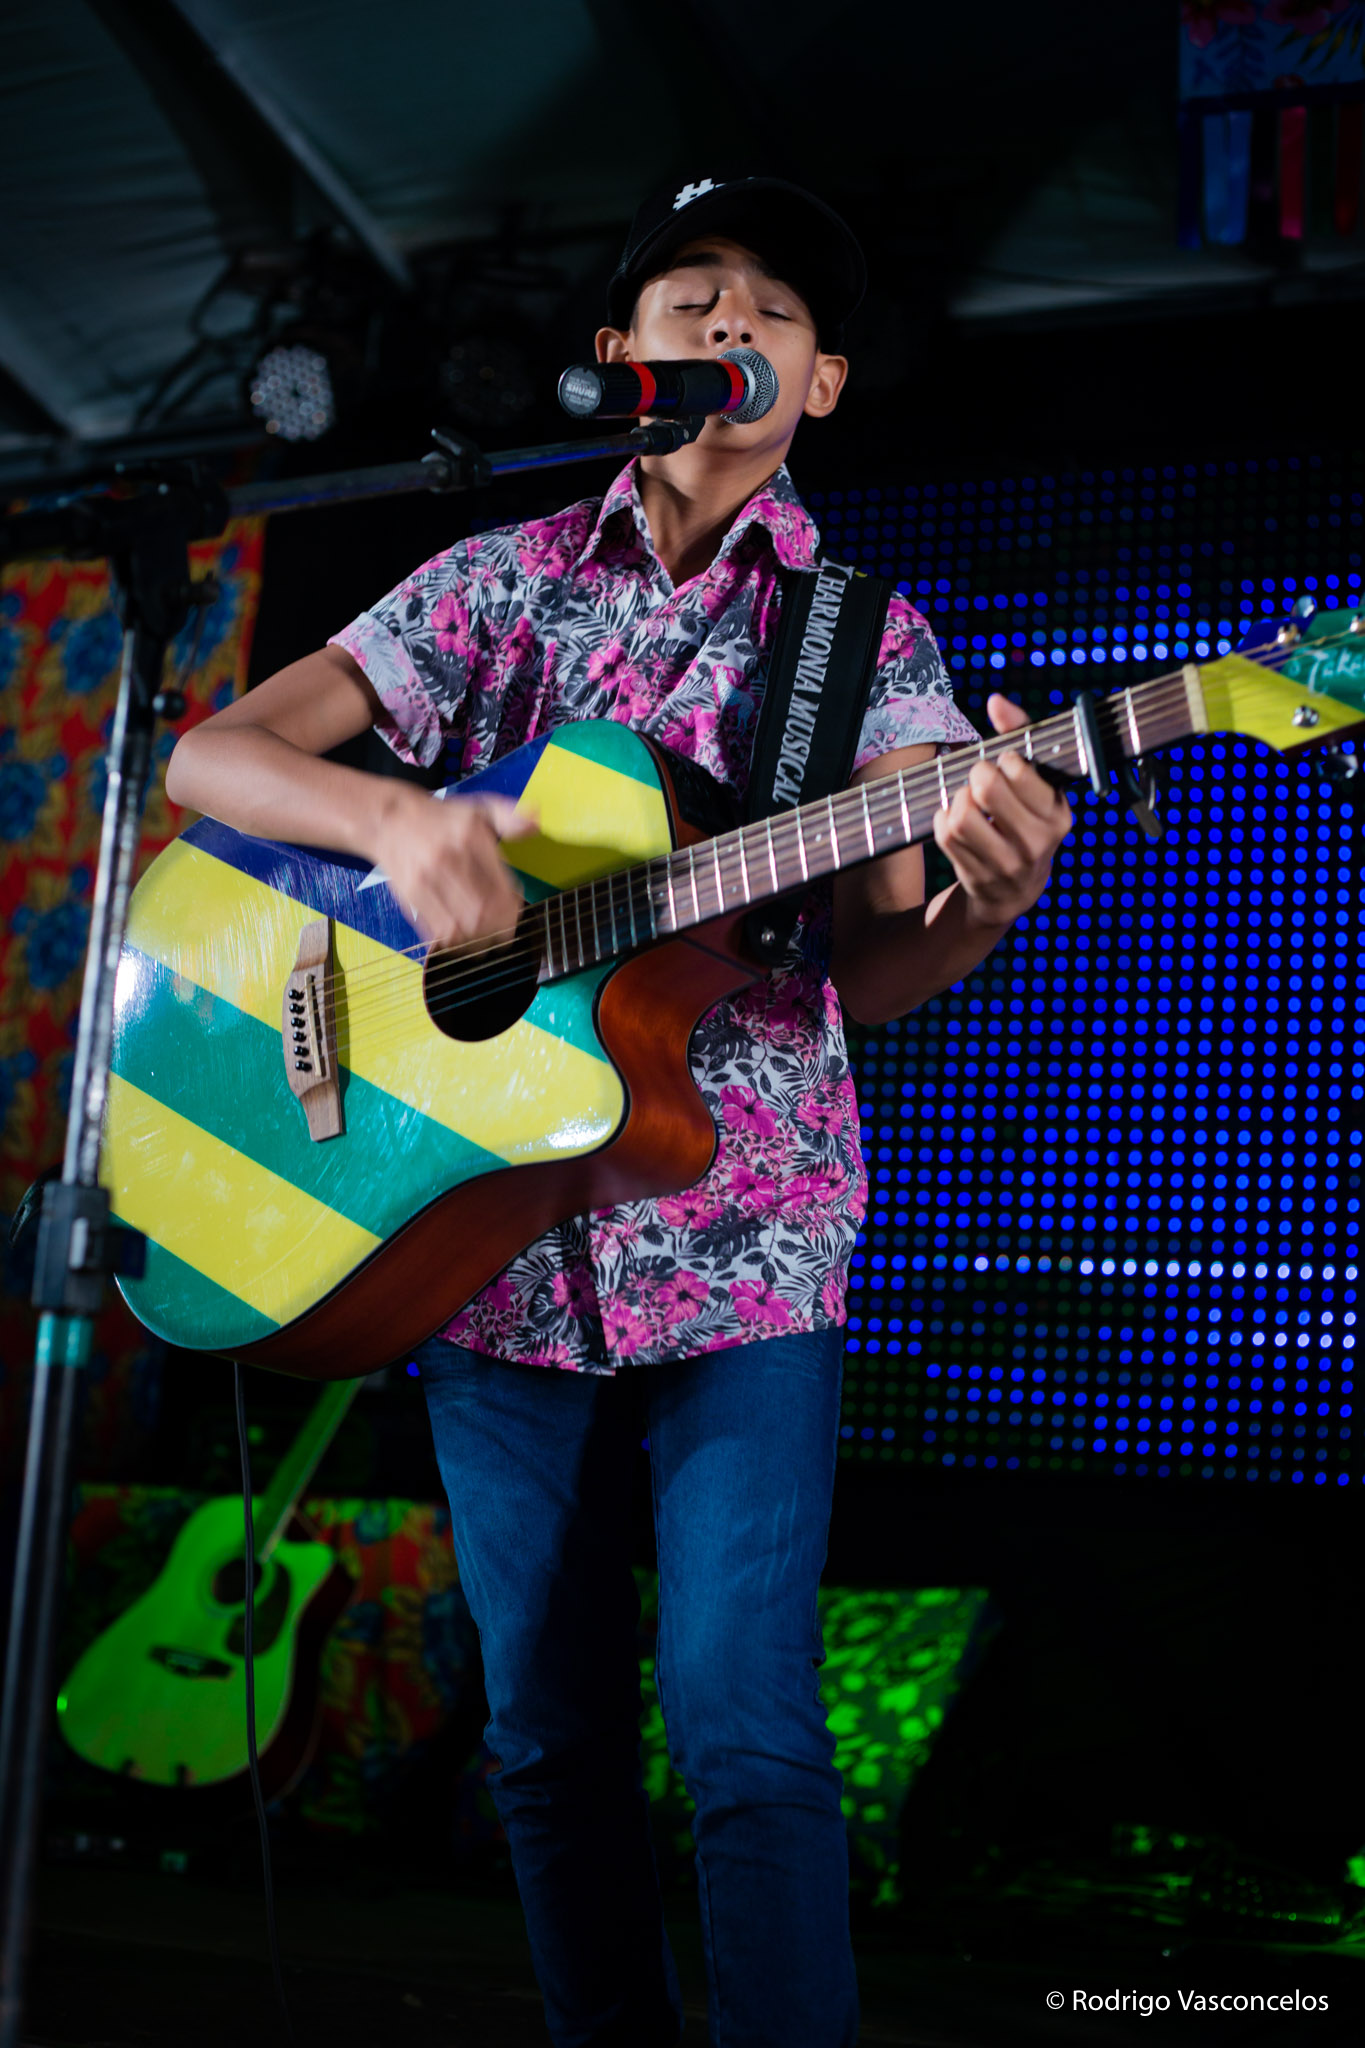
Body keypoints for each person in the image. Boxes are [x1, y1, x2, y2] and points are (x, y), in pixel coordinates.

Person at [167, 173, 1072, 2048]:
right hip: (478, 1235)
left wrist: (981, 900)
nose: (733, 323)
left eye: (776, 310)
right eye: (691, 297)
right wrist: (396, 820)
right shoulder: (492, 584)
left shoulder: (863, 645)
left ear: (822, 383)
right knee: (544, 1741)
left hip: (744, 1248)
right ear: (618, 355)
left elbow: (863, 971)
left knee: (746, 1736)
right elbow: (212, 760)